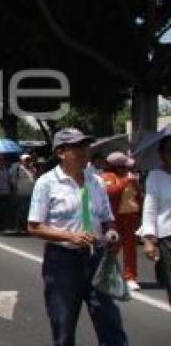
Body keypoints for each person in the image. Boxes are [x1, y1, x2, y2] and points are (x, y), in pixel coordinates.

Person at [28, 128, 128, 346]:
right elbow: (34, 226)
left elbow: (106, 219)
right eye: (78, 147)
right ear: (61, 152)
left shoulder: (96, 181)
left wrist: (112, 233)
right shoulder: (46, 183)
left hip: (97, 259)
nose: (85, 151)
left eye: (86, 146)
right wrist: (69, 236)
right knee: (63, 326)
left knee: (110, 323)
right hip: (62, 261)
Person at [101, 151, 142, 291]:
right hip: (114, 219)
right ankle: (105, 274)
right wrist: (126, 182)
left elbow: (138, 196)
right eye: (124, 167)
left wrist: (135, 185)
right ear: (116, 166)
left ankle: (130, 277)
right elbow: (109, 192)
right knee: (112, 248)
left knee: (130, 249)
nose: (127, 169)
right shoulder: (107, 176)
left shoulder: (130, 177)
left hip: (130, 218)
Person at [141, 133, 171, 304]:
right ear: (162, 155)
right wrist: (148, 240)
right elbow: (150, 209)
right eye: (169, 151)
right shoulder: (156, 176)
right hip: (168, 237)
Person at [10, 154, 37, 234]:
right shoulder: (18, 169)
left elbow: (34, 179)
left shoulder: (33, 169)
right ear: (22, 161)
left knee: (28, 212)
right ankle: (18, 227)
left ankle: (25, 227)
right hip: (20, 193)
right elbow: (13, 181)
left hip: (30, 193)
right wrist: (15, 191)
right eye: (26, 160)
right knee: (20, 211)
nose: (28, 161)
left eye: (29, 159)